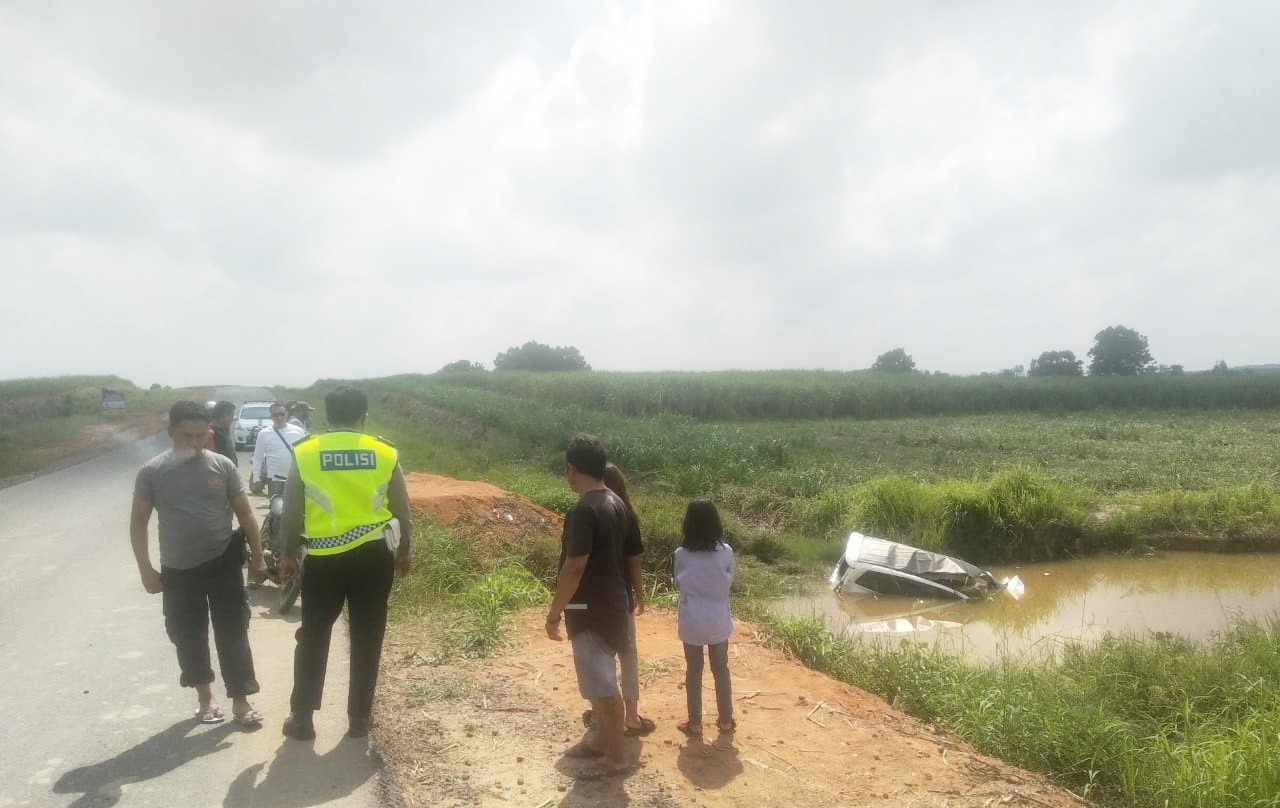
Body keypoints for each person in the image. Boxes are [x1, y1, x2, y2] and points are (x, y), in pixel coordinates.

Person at [279, 386, 413, 740]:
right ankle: (359, 720)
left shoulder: (306, 451)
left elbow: (292, 510)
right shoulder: (383, 452)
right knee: (368, 635)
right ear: (363, 418)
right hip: (374, 557)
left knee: (314, 635)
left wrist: (288, 553)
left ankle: (303, 719)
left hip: (325, 559)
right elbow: (402, 507)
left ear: (328, 416)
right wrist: (405, 551)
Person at [129, 400, 268, 726]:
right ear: (170, 432)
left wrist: (259, 557)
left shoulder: (222, 466)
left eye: (199, 436)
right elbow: (138, 523)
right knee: (187, 634)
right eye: (185, 436)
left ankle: (241, 700)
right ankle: (205, 698)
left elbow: (245, 513)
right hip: (178, 569)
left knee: (233, 631)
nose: (193, 443)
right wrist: (146, 569)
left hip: (223, 561)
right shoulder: (152, 472)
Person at [545, 434, 635, 779]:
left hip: (590, 609)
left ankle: (616, 758)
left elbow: (574, 566)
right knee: (599, 682)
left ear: (571, 469)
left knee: (603, 687)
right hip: (612, 604)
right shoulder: (615, 502)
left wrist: (554, 613)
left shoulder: (584, 510)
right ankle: (598, 743)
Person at [674, 500, 735, 738]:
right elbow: (729, 581)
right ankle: (726, 721)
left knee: (694, 671)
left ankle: (696, 723)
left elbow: (679, 583)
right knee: (721, 670)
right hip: (718, 619)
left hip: (692, 620)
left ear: (688, 524)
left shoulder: (681, 554)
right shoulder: (726, 552)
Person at [600, 463, 653, 736]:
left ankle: (606, 714)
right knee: (628, 654)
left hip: (597, 597)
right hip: (621, 596)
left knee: (603, 654)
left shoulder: (592, 515)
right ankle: (631, 717)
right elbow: (634, 563)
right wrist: (640, 595)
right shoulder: (628, 518)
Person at [249, 402, 305, 495]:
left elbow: (305, 454)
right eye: (275, 415)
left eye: (282, 414)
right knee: (276, 508)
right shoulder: (264, 434)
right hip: (275, 480)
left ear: (287, 414)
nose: (279, 418)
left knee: (296, 508)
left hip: (296, 479)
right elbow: (257, 458)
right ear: (271, 416)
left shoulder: (298, 431)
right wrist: (256, 478)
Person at [205, 400, 238, 465]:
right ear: (224, 415)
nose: (232, 420)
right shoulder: (211, 434)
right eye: (231, 416)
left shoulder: (223, 431)